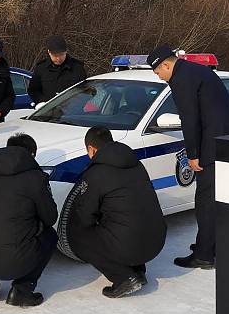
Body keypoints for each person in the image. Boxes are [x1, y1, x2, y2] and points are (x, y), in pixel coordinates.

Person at [147, 45, 229, 269]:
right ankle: (210, 245)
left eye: (158, 72)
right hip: (226, 139)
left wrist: (193, 154)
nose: (160, 77)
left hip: (214, 144)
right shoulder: (194, 71)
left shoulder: (182, 79)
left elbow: (189, 119)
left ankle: (204, 254)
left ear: (166, 64)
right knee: (215, 200)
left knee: (206, 202)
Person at [68, 126, 167, 298]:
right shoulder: (136, 164)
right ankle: (138, 271)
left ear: (91, 149)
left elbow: (85, 217)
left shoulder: (96, 173)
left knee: (78, 234)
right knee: (128, 219)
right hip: (157, 242)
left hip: (130, 245)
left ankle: (124, 278)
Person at [0, 133, 58, 307]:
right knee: (50, 236)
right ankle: (22, 290)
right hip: (16, 261)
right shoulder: (36, 179)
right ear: (31, 155)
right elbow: (50, 217)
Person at [28, 35, 87, 105]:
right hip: (48, 111)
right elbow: (33, 90)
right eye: (55, 55)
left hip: (72, 111)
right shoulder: (41, 68)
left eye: (61, 54)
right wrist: (42, 102)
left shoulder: (77, 68)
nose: (58, 58)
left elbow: (86, 91)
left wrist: (76, 104)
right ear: (49, 52)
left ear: (66, 51)